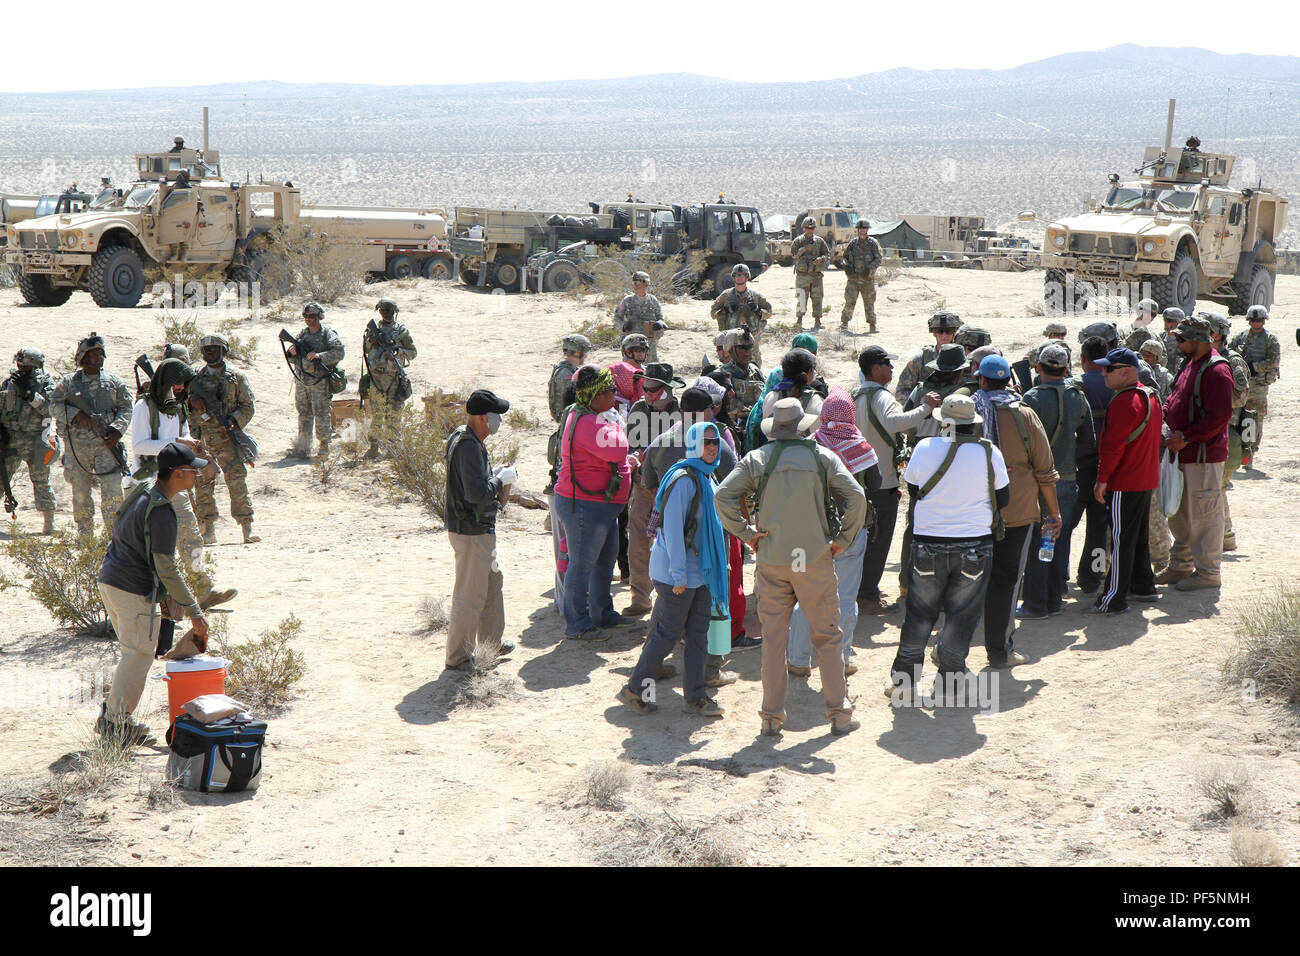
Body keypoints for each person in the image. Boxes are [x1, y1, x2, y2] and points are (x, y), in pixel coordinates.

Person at [714, 398, 869, 737]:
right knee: (828, 636)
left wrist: (747, 535)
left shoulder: (757, 459)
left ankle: (771, 717)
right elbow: (857, 497)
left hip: (772, 558)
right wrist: (842, 540)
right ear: (802, 426)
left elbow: (722, 496)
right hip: (813, 558)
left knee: (773, 640)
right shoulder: (823, 457)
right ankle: (839, 714)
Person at [888, 394, 1009, 702]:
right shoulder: (989, 452)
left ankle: (903, 683)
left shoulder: (925, 447)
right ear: (974, 424)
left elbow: (914, 491)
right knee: (962, 615)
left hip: (928, 543)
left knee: (919, 614)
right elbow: (1003, 498)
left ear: (944, 422)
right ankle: (950, 683)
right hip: (975, 546)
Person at [96, 442, 211, 746]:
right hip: (131, 588)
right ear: (176, 474)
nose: (195, 476)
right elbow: (166, 565)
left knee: (133, 653)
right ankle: (115, 725)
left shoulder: (145, 488)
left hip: (111, 579)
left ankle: (114, 716)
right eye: (191, 471)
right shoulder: (162, 510)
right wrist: (194, 611)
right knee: (138, 655)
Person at [617, 421, 729, 719]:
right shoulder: (684, 480)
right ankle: (634, 688)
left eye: (715, 442)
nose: (712, 447)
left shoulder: (705, 475)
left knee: (697, 635)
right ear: (693, 445)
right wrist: (679, 575)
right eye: (706, 442)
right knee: (667, 634)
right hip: (677, 573)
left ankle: (695, 697)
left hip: (700, 571)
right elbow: (674, 532)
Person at [643, 387, 748, 668]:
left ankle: (653, 664)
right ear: (706, 411)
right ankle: (712, 665)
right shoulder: (717, 443)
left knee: (666, 606)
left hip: (672, 538)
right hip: (710, 539)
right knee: (713, 600)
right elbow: (735, 484)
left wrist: (665, 501)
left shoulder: (663, 440)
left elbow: (647, 477)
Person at [971, 355, 1060, 667]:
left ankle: (948, 647)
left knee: (965, 582)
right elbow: (1045, 470)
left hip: (971, 511)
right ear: (1009, 380)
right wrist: (1053, 512)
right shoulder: (1025, 414)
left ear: (980, 379)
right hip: (1017, 510)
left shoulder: (966, 411)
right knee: (1006, 582)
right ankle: (1000, 651)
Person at [127, 355, 235, 611]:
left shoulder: (178, 407)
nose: (181, 389)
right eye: (176, 385)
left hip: (175, 480)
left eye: (183, 385)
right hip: (148, 483)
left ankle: (204, 590)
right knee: (151, 546)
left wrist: (191, 443)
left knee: (191, 537)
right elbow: (140, 445)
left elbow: (181, 434)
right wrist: (176, 443)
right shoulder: (144, 407)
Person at [787, 388, 880, 677]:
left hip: (809, 533)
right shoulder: (862, 448)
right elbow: (875, 485)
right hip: (850, 534)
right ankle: (842, 657)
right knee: (845, 597)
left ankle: (799, 659)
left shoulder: (812, 445)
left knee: (806, 597)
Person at [554, 365, 639, 639]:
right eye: (610, 391)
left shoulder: (591, 416)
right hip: (584, 506)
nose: (615, 396)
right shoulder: (589, 422)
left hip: (600, 507)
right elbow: (619, 448)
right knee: (581, 564)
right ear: (594, 395)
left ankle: (602, 613)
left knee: (604, 560)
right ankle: (577, 624)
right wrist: (616, 424)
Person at [853, 345, 939, 613]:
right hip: (882, 482)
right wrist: (926, 409)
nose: (891, 369)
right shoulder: (881, 397)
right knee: (878, 543)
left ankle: (859, 591)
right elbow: (894, 423)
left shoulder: (853, 396)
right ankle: (867, 597)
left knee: (860, 542)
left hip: (857, 479)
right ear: (875, 368)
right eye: (887, 364)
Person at [1158, 315, 1234, 592]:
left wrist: (1187, 437)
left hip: (1202, 455)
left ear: (1196, 340)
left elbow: (1219, 416)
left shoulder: (1217, 370)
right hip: (1181, 452)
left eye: (1180, 338)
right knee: (1179, 513)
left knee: (1204, 514)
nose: (1176, 342)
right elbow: (1174, 398)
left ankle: (1208, 572)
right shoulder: (1189, 364)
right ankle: (1180, 566)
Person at [443, 389, 517, 671]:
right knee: (469, 596)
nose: (499, 421)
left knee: (492, 585)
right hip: (472, 532)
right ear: (484, 418)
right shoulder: (468, 446)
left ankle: (491, 644)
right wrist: (499, 482)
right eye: (496, 415)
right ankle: (458, 658)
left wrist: (494, 474)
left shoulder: (465, 437)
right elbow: (475, 493)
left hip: (478, 529)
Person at [1019, 344, 1094, 618]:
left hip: (1039, 482)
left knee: (1041, 541)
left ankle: (1036, 603)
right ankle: (1054, 599)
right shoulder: (1077, 397)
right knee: (1059, 540)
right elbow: (1088, 440)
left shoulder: (1031, 398)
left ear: (1039, 367)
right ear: (1065, 369)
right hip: (1069, 478)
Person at [1087, 348, 1162, 614]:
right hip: (1144, 478)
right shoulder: (1149, 395)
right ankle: (1143, 586)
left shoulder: (1124, 401)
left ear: (1126, 371)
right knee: (1137, 537)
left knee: (1121, 539)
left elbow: (1112, 447)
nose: (1103, 373)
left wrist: (1102, 479)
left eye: (1108, 368)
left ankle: (1114, 598)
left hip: (1125, 481)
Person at [50, 333, 133, 535]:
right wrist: (75, 415)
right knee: (80, 492)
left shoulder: (114, 381)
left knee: (112, 491)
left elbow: (126, 407)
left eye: (100, 353)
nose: (98, 357)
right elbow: (53, 405)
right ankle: (85, 535)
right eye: (93, 354)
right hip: (78, 448)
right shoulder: (68, 382)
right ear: (83, 357)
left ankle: (114, 536)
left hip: (107, 446)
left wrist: (117, 430)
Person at [623, 363, 684, 617]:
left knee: (673, 544)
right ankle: (640, 597)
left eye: (653, 389)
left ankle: (670, 598)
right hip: (644, 487)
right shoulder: (638, 409)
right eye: (645, 388)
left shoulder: (683, 414)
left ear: (667, 390)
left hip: (673, 488)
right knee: (637, 542)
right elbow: (629, 445)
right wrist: (633, 457)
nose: (647, 393)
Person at [189, 334, 259, 545]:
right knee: (203, 484)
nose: (209, 353)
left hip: (227, 437)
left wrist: (233, 421)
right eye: (206, 350)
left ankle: (247, 527)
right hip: (203, 439)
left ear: (224, 351)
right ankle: (207, 530)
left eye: (214, 349)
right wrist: (194, 405)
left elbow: (248, 406)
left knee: (237, 481)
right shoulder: (196, 380)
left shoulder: (236, 377)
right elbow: (186, 411)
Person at [1072, 336, 1117, 593]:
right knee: (1099, 528)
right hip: (1107, 465)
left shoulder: (1075, 385)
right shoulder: (1115, 384)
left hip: (1079, 464)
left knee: (1066, 524)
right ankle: (1091, 577)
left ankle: (1056, 574)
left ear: (1083, 359)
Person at [0, 347, 58, 534]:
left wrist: (31, 395)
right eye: (19, 365)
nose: (21, 369)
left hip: (36, 439)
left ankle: (49, 524)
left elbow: (50, 409)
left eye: (26, 366)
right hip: (12, 439)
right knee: (2, 479)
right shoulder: (10, 383)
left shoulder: (47, 383)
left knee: (41, 481)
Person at [1210, 315, 1250, 552]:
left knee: (1217, 488)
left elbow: (1241, 396)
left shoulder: (1232, 360)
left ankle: (1225, 536)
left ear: (1217, 335)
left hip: (1228, 432)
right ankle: (1224, 536)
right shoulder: (1205, 358)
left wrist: (1214, 402)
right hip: (1214, 431)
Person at [286, 302, 344, 458]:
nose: (308, 319)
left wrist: (320, 356)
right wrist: (291, 352)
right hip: (302, 381)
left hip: (319, 382)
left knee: (322, 413)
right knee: (303, 413)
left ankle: (324, 447)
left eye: (311, 316)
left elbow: (339, 352)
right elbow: (292, 358)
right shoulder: (302, 335)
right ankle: (303, 447)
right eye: (305, 316)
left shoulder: (327, 334)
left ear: (319, 316)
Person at [363, 297, 417, 454]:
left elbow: (413, 352)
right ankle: (373, 448)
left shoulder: (401, 331)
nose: (385, 314)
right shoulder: (373, 329)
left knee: (393, 416)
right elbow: (366, 350)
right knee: (376, 415)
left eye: (389, 311)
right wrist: (372, 341)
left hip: (394, 380)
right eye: (383, 311)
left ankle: (393, 450)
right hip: (376, 379)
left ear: (394, 312)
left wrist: (398, 351)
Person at [1229, 304, 1280, 465]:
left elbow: (1274, 361)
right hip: (1242, 386)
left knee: (1254, 420)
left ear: (1263, 321)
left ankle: (1250, 453)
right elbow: (1229, 353)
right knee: (1235, 419)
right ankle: (1236, 452)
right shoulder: (1241, 337)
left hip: (1258, 386)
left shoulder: (1270, 339)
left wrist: (1255, 367)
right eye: (1253, 320)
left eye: (1258, 320)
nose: (1256, 323)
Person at [711, 264, 773, 369]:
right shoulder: (726, 295)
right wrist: (726, 310)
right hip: (731, 339)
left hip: (752, 338)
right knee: (730, 367)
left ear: (747, 277)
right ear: (733, 277)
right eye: (737, 275)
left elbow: (769, 312)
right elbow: (713, 313)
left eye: (742, 275)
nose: (739, 277)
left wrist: (757, 310)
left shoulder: (756, 295)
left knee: (754, 366)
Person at [895, 310, 962, 401]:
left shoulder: (963, 361)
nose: (944, 335)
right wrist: (922, 405)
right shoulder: (920, 360)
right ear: (933, 332)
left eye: (949, 331)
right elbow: (901, 392)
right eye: (939, 331)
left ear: (956, 331)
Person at [840, 219, 883, 331]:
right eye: (860, 229)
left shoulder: (873, 243)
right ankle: (844, 323)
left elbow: (879, 259)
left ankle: (872, 325)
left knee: (869, 303)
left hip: (867, 279)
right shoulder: (853, 243)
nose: (862, 230)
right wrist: (847, 266)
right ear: (858, 230)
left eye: (864, 228)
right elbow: (844, 257)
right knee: (849, 301)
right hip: (853, 279)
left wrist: (869, 268)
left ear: (867, 230)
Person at [614, 271, 667, 361]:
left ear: (645, 284)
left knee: (651, 368)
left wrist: (660, 323)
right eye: (634, 283)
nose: (635, 285)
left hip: (649, 342)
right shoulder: (627, 300)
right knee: (630, 367)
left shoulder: (653, 300)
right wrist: (623, 325)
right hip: (631, 341)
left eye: (637, 283)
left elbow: (660, 317)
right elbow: (617, 317)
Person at [790, 216, 831, 329]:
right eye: (808, 228)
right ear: (804, 228)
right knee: (801, 297)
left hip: (816, 275)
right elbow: (793, 255)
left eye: (812, 228)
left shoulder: (819, 241)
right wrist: (803, 249)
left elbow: (827, 254)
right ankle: (799, 321)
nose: (810, 230)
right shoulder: (798, 241)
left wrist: (821, 259)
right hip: (802, 275)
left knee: (818, 297)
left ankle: (817, 321)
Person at [548, 334, 591, 426]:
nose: (586, 356)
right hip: (569, 420)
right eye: (585, 352)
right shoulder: (566, 374)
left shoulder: (565, 369)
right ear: (577, 353)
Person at [1159, 307, 1185, 376]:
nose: (1165, 323)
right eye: (1165, 320)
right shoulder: (1160, 337)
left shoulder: (1185, 340)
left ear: (1178, 323)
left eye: (1169, 320)